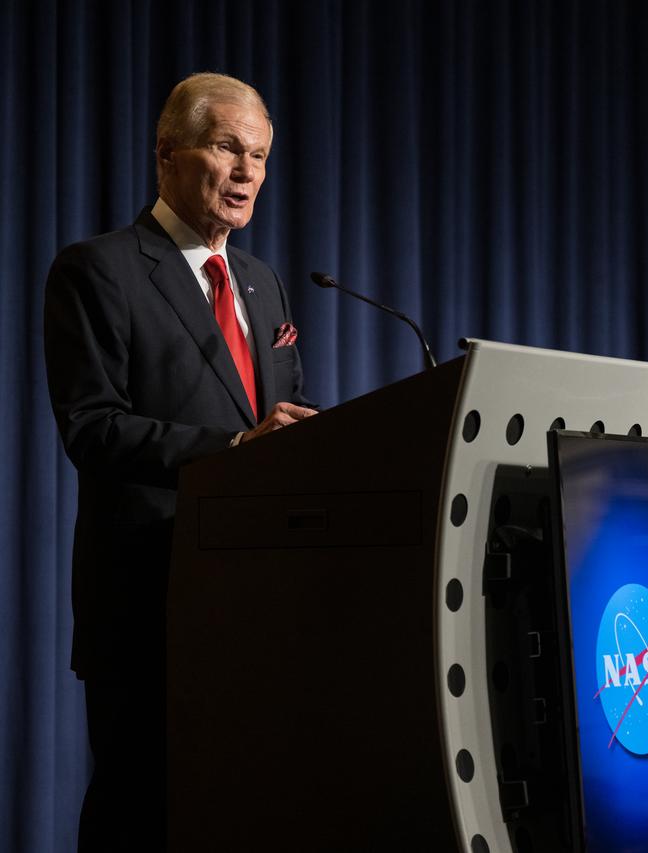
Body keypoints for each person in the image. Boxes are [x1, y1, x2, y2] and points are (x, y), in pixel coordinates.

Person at [44, 73, 317, 850]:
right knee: (141, 813)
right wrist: (232, 449)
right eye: (228, 148)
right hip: (148, 602)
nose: (247, 172)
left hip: (253, 602)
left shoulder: (262, 284)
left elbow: (281, 413)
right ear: (167, 153)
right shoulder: (99, 270)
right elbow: (92, 427)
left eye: (259, 156)